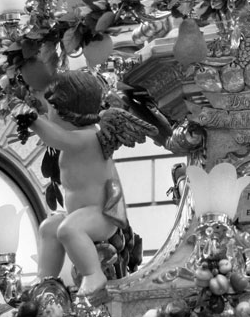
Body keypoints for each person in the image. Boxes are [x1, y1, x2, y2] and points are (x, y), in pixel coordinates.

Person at [13, 71, 154, 296]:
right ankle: (45, 282)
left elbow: (55, 137)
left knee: (68, 229)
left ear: (64, 110)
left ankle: (93, 274)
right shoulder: (79, 137)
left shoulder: (88, 138)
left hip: (102, 216)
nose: (47, 114)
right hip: (81, 212)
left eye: (49, 108)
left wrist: (31, 118)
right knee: (49, 228)